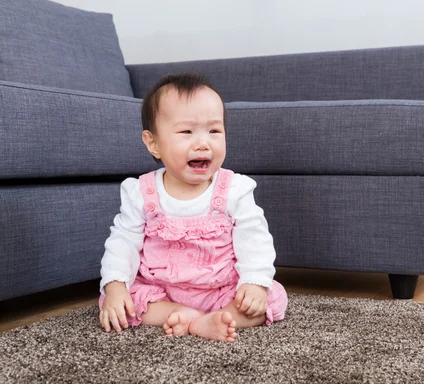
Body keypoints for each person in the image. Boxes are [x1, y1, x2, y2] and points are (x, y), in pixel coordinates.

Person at [98, 73, 288, 342]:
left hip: (220, 289)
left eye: (214, 131)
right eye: (187, 131)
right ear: (153, 143)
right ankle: (184, 315)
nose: (203, 143)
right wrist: (116, 284)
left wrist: (254, 283)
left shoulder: (234, 188)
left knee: (272, 297)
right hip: (160, 289)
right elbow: (123, 241)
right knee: (114, 299)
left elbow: (254, 238)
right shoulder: (141, 192)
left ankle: (211, 318)